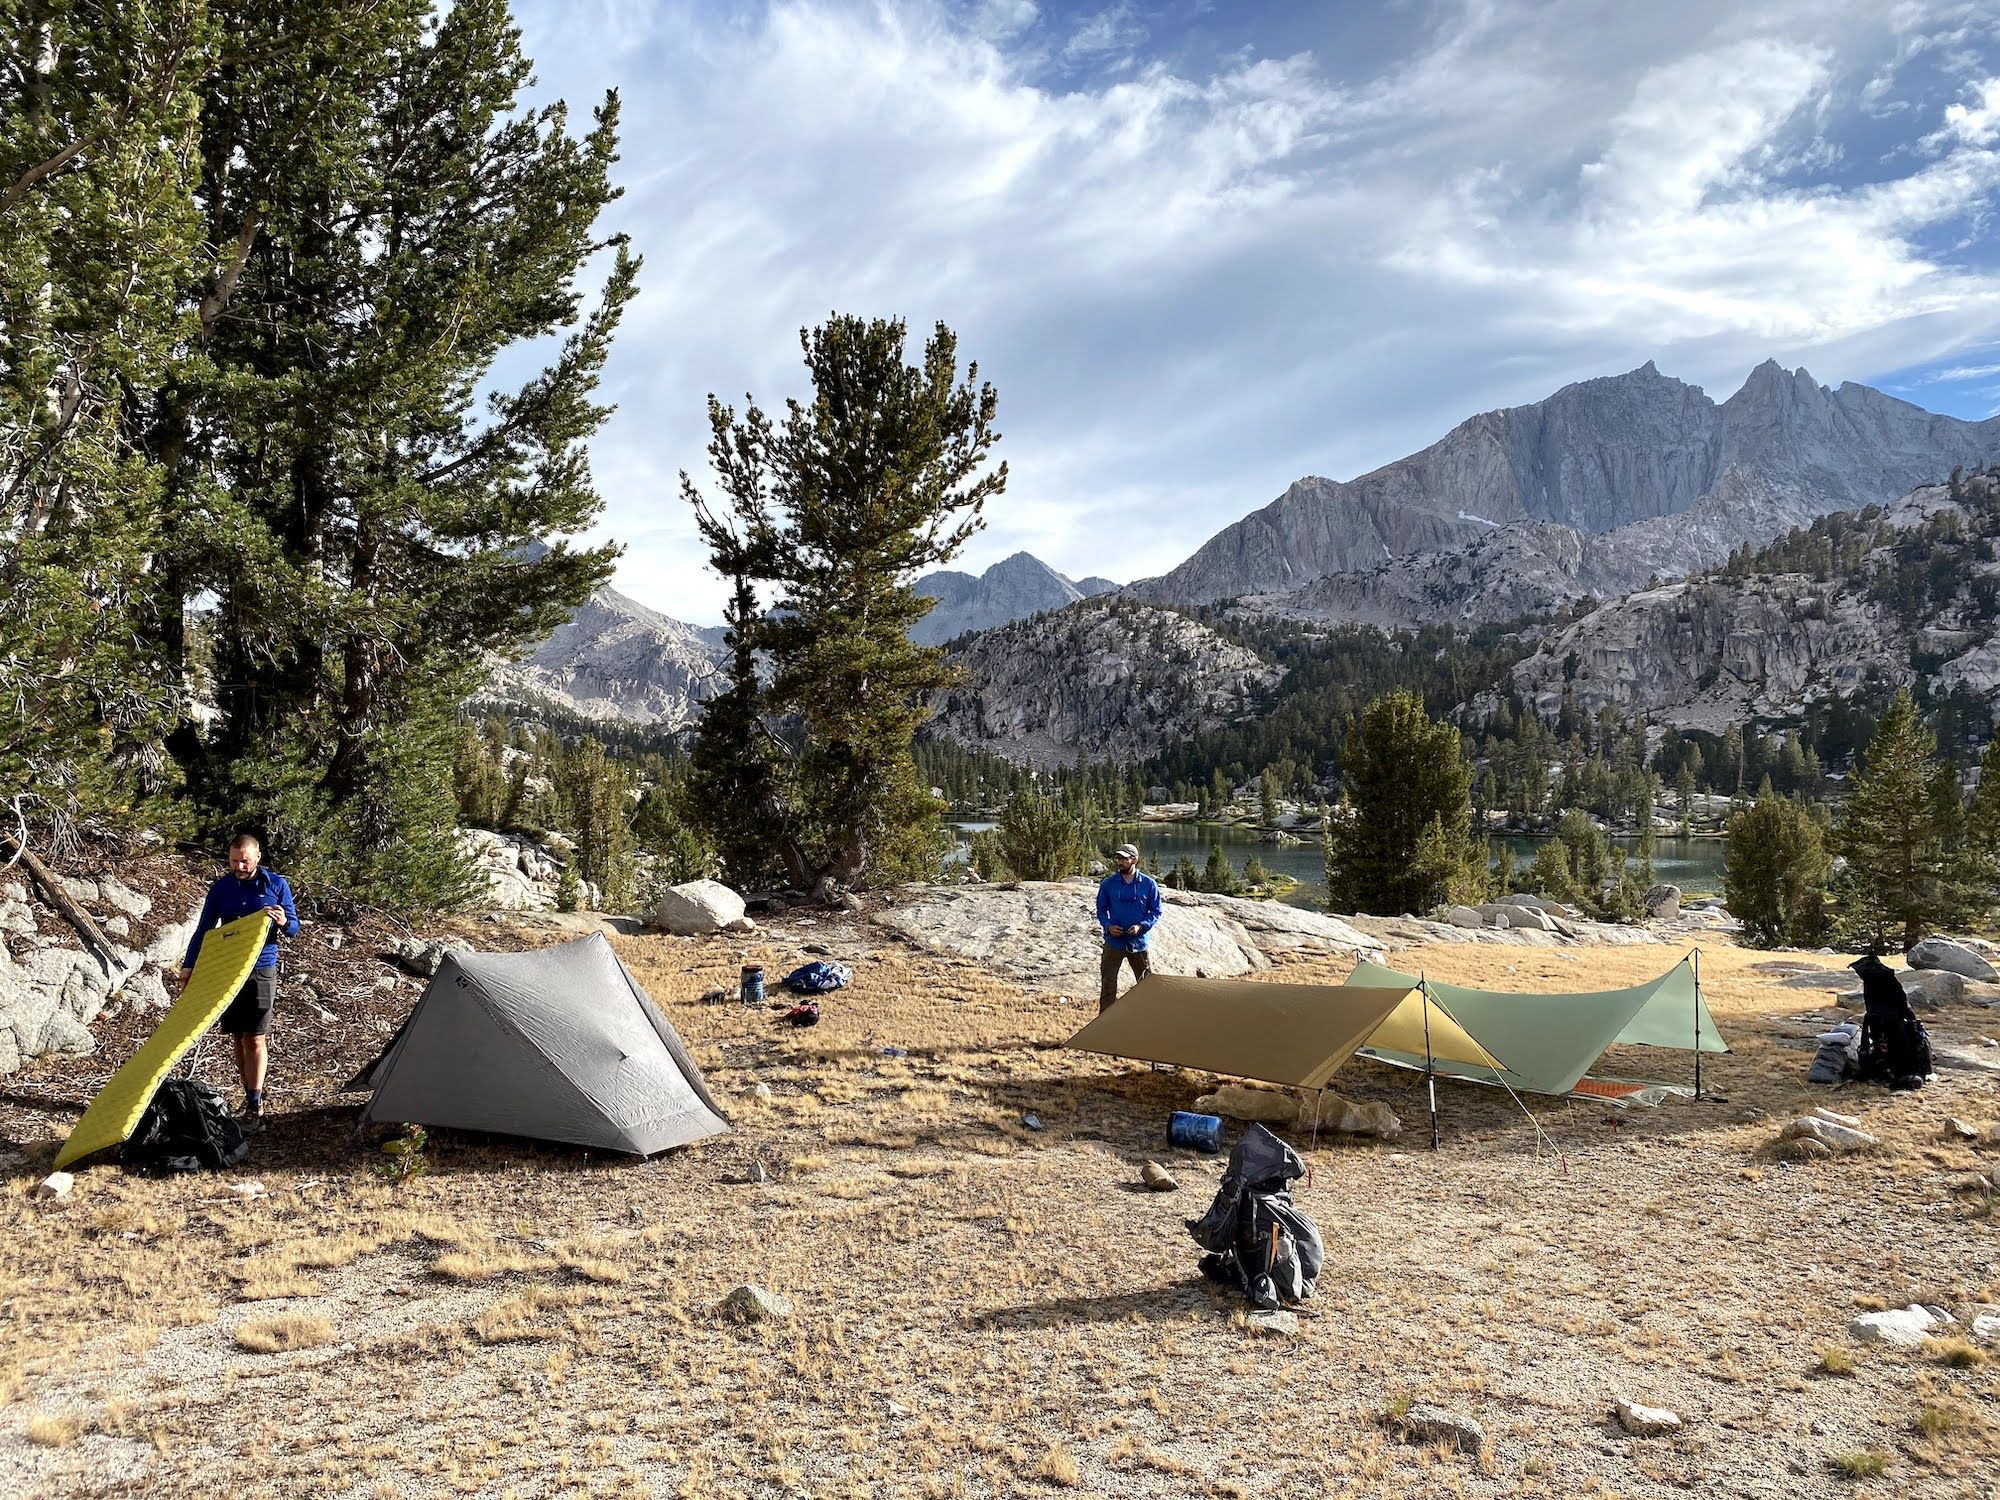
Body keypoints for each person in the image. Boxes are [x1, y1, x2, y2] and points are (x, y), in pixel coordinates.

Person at [176, 834, 300, 1128]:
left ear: (258, 856)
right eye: (234, 861)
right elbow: (204, 929)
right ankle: (247, 1096)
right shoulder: (221, 888)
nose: (240, 866)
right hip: (228, 969)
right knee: (238, 1037)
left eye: (245, 860)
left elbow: (294, 928)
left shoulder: (276, 885)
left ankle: (255, 1105)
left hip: (261, 969)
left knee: (255, 1038)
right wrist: (189, 966)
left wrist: (283, 922)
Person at [1096, 842, 1161, 1012]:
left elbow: (1155, 912)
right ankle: (1105, 1023)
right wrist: (1108, 926)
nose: (1119, 862)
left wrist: (1141, 926)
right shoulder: (1108, 884)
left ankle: (1149, 1018)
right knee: (1108, 985)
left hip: (1138, 943)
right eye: (1118, 858)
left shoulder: (1149, 884)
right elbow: (1101, 911)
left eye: (1123, 859)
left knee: (1146, 984)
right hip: (1113, 942)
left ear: (1134, 860)